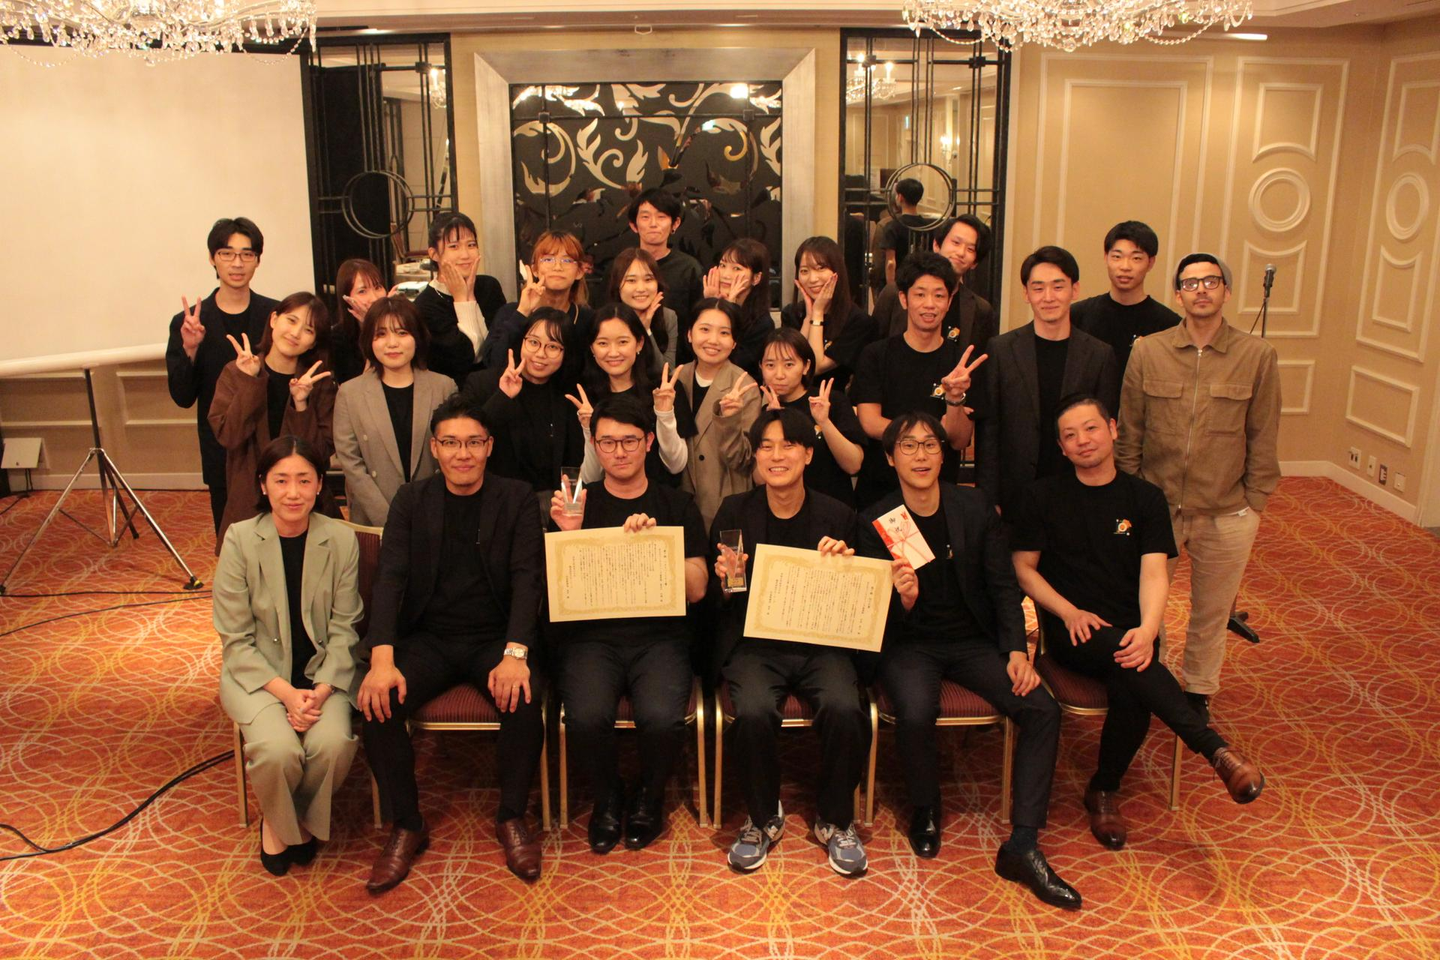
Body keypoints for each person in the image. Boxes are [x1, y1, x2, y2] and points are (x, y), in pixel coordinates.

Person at [1012, 396, 1265, 850]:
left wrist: (1149, 630)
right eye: (1070, 435)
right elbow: (1024, 569)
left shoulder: (1145, 498)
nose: (1083, 440)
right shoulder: (1042, 497)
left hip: (1131, 632)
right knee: (1134, 664)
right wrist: (1067, 611)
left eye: (1091, 428)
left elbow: (1154, 573)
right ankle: (1214, 750)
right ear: (1062, 448)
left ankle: (1103, 788)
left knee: (1133, 681)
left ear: (1112, 429)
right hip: (1073, 632)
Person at [856, 412, 1077, 910]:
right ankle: (925, 808)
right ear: (890, 458)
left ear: (944, 454)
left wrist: (1016, 651)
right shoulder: (876, 520)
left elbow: (1003, 585)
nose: (920, 455)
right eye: (908, 446)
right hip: (910, 643)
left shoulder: (974, 507)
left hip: (973, 641)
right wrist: (902, 600)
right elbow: (871, 612)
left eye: (930, 445)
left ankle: (1023, 841)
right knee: (915, 710)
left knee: (1041, 708)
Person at [357, 394, 547, 890]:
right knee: (376, 703)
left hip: (495, 638)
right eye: (451, 443)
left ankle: (512, 816)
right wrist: (382, 658)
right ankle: (407, 824)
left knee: (524, 699)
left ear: (489, 446)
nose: (463, 453)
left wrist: (516, 653)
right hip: (429, 638)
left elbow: (528, 579)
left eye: (473, 442)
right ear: (435, 448)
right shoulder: (411, 500)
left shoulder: (516, 498)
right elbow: (390, 579)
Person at [1116, 253, 1280, 722]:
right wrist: (1131, 495)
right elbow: (1130, 431)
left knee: (1211, 610)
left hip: (1226, 509)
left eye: (1211, 281)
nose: (1201, 290)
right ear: (1177, 294)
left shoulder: (1256, 356)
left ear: (1227, 290)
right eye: (1190, 283)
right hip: (1157, 505)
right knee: (1146, 602)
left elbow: (1263, 434)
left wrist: (1254, 503)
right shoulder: (1149, 351)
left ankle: (1198, 690)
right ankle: (1154, 682)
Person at [710, 408, 871, 877]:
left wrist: (845, 567)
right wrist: (727, 580)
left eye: (787, 446)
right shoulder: (734, 512)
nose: (776, 456)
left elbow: (856, 601)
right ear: (756, 457)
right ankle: (762, 818)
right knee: (753, 710)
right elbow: (724, 599)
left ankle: (835, 819)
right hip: (756, 643)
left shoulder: (837, 515)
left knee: (845, 707)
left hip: (821, 642)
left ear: (808, 455)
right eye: (766, 447)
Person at [549, 394, 710, 853]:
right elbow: (557, 591)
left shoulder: (676, 503)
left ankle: (649, 797)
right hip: (592, 637)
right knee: (585, 716)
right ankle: (607, 798)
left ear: (649, 442)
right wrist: (569, 537)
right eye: (607, 442)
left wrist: (656, 545)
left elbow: (698, 588)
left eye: (629, 441)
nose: (618, 452)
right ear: (594, 446)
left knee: (661, 719)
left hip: (659, 638)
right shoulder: (577, 503)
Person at [215, 435, 361, 876]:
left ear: (320, 485)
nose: (293, 492)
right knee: (277, 751)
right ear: (263, 485)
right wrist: (286, 695)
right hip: (259, 678)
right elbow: (235, 639)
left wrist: (320, 691)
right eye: (281, 480)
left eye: (304, 480)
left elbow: (345, 627)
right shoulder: (240, 539)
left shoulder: (340, 538)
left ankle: (290, 817)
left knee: (333, 745)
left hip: (324, 676)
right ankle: (282, 825)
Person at [974, 245, 1118, 519]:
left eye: (1058, 287)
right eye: (1038, 288)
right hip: (1015, 493)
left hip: (1078, 491)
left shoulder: (1099, 354)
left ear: (1075, 290)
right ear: (1026, 293)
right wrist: (989, 497)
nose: (1048, 297)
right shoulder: (1001, 350)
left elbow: (1105, 434)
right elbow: (989, 430)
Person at [166, 217, 279, 535]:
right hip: (221, 450)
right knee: (232, 539)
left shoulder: (275, 315)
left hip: (271, 440)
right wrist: (190, 349)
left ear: (257, 260)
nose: (237, 263)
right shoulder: (190, 322)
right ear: (212, 258)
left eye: (247, 254)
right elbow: (182, 397)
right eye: (227, 253)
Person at [850, 252, 987, 509]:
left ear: (949, 301)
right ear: (904, 299)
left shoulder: (961, 364)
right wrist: (930, 438)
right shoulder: (876, 354)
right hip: (881, 489)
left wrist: (954, 399)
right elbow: (869, 421)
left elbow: (959, 440)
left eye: (939, 295)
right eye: (920, 294)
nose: (929, 304)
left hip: (939, 493)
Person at [208, 292, 335, 550]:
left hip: (304, 505)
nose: (296, 333)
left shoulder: (319, 382)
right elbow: (228, 435)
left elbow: (320, 455)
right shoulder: (236, 372)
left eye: (308, 330)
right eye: (291, 320)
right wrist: (250, 382)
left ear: (313, 343)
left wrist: (301, 404)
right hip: (249, 499)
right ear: (274, 320)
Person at [333, 297, 458, 527]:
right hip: (374, 520)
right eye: (381, 334)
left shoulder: (444, 387)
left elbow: (452, 452)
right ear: (369, 340)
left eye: (401, 333)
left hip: (435, 515)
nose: (392, 343)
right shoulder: (350, 394)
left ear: (417, 337)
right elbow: (351, 463)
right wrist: (388, 519)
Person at [461, 308, 585, 500]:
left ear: (565, 353)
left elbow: (574, 465)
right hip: (494, 500)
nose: (540, 354)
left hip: (552, 502)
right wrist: (502, 397)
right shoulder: (483, 384)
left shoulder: (570, 394)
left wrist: (572, 508)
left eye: (553, 347)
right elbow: (467, 439)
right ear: (521, 342)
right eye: (533, 342)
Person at [573, 304, 695, 486]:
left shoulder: (665, 389)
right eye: (603, 343)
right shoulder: (584, 397)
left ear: (639, 343)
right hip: (604, 499)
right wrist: (588, 429)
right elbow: (590, 478)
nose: (613, 352)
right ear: (592, 348)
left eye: (622, 342)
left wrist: (664, 414)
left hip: (659, 497)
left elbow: (676, 466)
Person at [676, 299, 761, 528]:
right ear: (689, 334)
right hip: (683, 501)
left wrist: (730, 419)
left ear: (734, 342)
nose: (713, 340)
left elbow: (743, 460)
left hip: (725, 504)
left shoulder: (744, 386)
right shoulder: (677, 377)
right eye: (705, 329)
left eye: (724, 333)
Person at [757, 328, 865, 507]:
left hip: (833, 509)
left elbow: (853, 465)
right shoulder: (766, 413)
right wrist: (774, 421)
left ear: (806, 366)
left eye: (789, 365)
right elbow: (760, 479)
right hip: (785, 510)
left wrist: (824, 421)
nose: (779, 374)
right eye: (770, 365)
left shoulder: (831, 401)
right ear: (761, 367)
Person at [876, 215, 998, 361]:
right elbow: (875, 346)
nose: (961, 252)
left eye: (970, 249)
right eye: (956, 242)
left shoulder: (980, 310)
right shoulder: (895, 293)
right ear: (936, 245)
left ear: (975, 263)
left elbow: (979, 362)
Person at [1070, 221, 1179, 375]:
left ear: (1150, 262)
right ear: (1106, 257)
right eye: (1117, 257)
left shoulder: (1170, 325)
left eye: (1136, 258)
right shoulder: (1077, 316)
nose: (1125, 266)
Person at [412, 212, 506, 384]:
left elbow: (498, 352)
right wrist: (463, 300)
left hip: (498, 386)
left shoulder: (489, 287)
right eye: (454, 246)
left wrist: (470, 295)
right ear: (434, 254)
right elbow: (467, 358)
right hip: (454, 391)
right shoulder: (425, 305)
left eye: (471, 245)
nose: (465, 254)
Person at [480, 229, 595, 369]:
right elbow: (493, 362)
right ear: (535, 269)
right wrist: (522, 312)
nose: (557, 267)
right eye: (548, 259)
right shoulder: (510, 313)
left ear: (579, 271)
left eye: (567, 260)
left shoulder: (588, 319)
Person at [779, 236, 877, 391]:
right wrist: (808, 318)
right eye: (804, 271)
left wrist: (817, 313)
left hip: (833, 399)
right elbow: (789, 366)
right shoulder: (791, 313)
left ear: (837, 272)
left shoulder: (858, 321)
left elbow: (815, 367)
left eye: (820, 268)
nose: (812, 279)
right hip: (792, 398)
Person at [628, 188, 704, 359]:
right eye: (645, 217)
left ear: (675, 224)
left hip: (679, 359)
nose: (653, 224)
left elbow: (698, 320)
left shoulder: (689, 268)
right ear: (633, 225)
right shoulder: (622, 266)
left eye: (661, 217)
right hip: (626, 358)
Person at [701, 238, 775, 381]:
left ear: (756, 278)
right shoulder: (710, 303)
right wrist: (710, 304)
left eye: (737, 268)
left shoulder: (762, 324)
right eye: (723, 265)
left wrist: (730, 309)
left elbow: (736, 362)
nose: (725, 275)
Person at [607, 247, 678, 369]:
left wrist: (646, 330)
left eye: (648, 279)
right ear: (617, 285)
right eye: (631, 280)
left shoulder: (668, 316)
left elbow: (667, 370)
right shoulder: (605, 321)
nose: (641, 288)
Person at [329, 258, 391, 385]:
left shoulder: (402, 326)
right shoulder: (338, 338)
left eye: (378, 287)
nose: (374, 298)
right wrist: (370, 328)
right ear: (347, 298)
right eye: (362, 291)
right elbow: (359, 389)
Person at [879, 177, 927, 287]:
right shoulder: (927, 225)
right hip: (921, 277)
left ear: (900, 197)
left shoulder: (892, 226)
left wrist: (890, 287)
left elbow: (890, 262)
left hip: (900, 280)